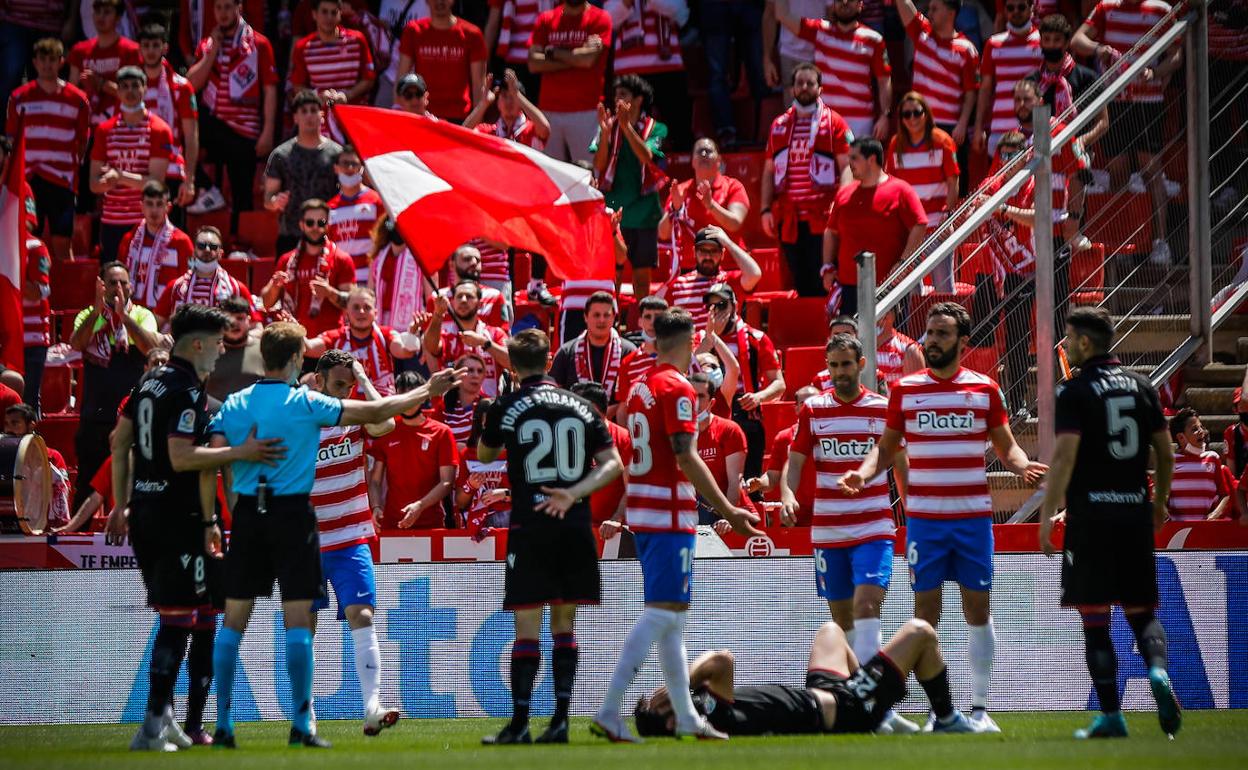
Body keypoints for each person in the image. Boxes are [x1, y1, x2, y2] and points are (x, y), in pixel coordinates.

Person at [205, 322, 461, 748]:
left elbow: (210, 456)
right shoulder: (307, 404)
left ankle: (225, 723)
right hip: (296, 520)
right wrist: (428, 391)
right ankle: (302, 724)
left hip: (258, 518)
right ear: (295, 363)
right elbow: (381, 413)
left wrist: (222, 511)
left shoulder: (236, 403)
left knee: (235, 621)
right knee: (298, 623)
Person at [842, 301, 1047, 732]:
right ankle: (941, 711)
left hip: (973, 520)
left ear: (962, 342)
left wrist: (1021, 464)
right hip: (925, 522)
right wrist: (863, 473)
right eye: (929, 333)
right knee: (924, 618)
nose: (931, 341)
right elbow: (886, 449)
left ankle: (979, 708)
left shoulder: (985, 389)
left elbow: (1007, 446)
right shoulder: (905, 390)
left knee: (978, 610)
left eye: (941, 334)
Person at [105, 304, 284, 752]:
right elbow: (183, 458)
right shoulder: (186, 390)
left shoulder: (147, 381)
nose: (222, 353)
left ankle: (171, 721)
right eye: (219, 345)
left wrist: (122, 502)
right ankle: (150, 728)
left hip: (149, 511)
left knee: (198, 614)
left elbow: (119, 440)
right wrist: (242, 452)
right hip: (175, 516)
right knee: (177, 620)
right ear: (199, 344)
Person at [592, 308, 760, 743]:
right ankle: (610, 709)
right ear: (688, 344)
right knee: (660, 614)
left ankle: (685, 716)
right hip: (669, 515)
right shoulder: (678, 388)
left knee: (672, 620)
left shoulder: (640, 387)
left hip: (646, 514)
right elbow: (686, 456)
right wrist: (727, 509)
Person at [1037, 304, 1182, 739]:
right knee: (1142, 611)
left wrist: (1047, 515)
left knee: (1095, 618)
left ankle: (1112, 716)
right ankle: (1158, 671)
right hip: (1135, 513)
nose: (1064, 345)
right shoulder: (1142, 386)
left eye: (1068, 337)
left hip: (1091, 517)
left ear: (1085, 342)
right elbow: (1166, 452)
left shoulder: (1075, 392)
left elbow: (1063, 458)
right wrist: (1158, 504)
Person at [476, 329, 624, 744]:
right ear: (548, 360)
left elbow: (484, 455)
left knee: (527, 625)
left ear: (511, 360)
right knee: (565, 624)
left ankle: (520, 724)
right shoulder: (582, 405)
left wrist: (493, 412)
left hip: (530, 524)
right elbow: (613, 465)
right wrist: (575, 492)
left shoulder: (506, 406)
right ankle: (559, 722)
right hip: (575, 524)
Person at [781, 334, 915, 734]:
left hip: (874, 526)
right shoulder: (814, 410)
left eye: (846, 364)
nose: (840, 373)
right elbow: (796, 461)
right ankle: (868, 708)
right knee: (842, 624)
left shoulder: (881, 408)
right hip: (828, 531)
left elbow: (901, 465)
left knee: (867, 607)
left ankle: (881, 709)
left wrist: (912, 516)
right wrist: (787, 494)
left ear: (861, 364)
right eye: (833, 366)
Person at [633, 619, 982, 736]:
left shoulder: (702, 711)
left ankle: (882, 712)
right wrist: (680, 684)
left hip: (824, 693)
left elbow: (716, 668)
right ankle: (947, 718)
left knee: (830, 630)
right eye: (660, 702)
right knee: (920, 632)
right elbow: (722, 661)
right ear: (667, 720)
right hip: (847, 708)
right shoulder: (710, 717)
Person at [306, 348, 402, 735]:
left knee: (361, 615)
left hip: (350, 537)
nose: (345, 390)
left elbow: (388, 424)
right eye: (339, 383)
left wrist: (363, 380)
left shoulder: (355, 415)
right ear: (319, 380)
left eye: (349, 384)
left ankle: (371, 707)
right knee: (303, 627)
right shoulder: (301, 418)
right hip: (306, 541)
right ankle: (304, 713)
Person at [1072, 0, 1182, 265]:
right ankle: (1121, 243)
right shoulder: (1106, 7)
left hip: (1148, 101)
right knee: (1118, 169)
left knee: (1151, 169)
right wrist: (1100, 48)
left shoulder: (1160, 10)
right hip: (1116, 101)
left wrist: (1155, 71)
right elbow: (1077, 40)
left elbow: (1177, 54)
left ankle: (1159, 242)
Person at [69, 262, 159, 509]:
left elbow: (151, 346)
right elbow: (77, 344)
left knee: (138, 481)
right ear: (101, 286)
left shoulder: (143, 315)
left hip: (133, 415)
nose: (118, 287)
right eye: (112, 282)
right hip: (95, 414)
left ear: (131, 285)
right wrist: (98, 312)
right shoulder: (88, 314)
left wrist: (124, 318)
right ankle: (79, 538)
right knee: (87, 482)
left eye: (123, 282)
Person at [185, 0, 279, 229]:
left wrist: (267, 133)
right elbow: (190, 85)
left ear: (240, 8)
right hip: (214, 124)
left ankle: (241, 242)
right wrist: (212, 51)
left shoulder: (259, 44)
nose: (223, 13)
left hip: (244, 131)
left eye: (228, 7)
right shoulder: (207, 44)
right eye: (219, 8)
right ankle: (210, 190)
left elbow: (270, 90)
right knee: (182, 127)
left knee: (242, 194)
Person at [760, 63, 853, 297]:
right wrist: (765, 209)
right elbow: (769, 171)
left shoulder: (834, 122)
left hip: (823, 218)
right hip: (790, 219)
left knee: (826, 279)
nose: (804, 87)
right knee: (801, 282)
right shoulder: (779, 125)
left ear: (820, 88)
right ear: (791, 89)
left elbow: (847, 167)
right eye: (799, 83)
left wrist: (841, 204)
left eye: (810, 83)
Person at [5, 37, 90, 260]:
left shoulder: (78, 99)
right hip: (29, 180)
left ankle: (67, 294)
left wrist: (68, 167)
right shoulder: (19, 97)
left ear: (61, 62)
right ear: (34, 62)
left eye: (52, 59)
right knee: (27, 238)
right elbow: (12, 141)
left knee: (62, 242)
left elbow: (82, 142)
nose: (47, 65)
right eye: (42, 59)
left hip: (61, 180)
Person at [823, 137, 928, 316]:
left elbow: (919, 225)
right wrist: (827, 267)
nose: (850, 164)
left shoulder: (901, 190)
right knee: (850, 342)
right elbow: (831, 232)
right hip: (849, 286)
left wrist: (903, 263)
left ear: (872, 159)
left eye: (854, 158)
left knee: (890, 339)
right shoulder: (844, 194)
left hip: (888, 285)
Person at [591, 74, 667, 299]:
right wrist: (605, 134)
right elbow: (598, 165)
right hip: (614, 210)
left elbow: (646, 156)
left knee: (642, 278)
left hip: (644, 212)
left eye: (623, 95)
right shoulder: (607, 126)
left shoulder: (657, 128)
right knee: (611, 274)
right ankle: (610, 324)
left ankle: (642, 328)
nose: (617, 100)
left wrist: (626, 127)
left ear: (638, 99)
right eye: (616, 95)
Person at [772, 0, 893, 141]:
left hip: (860, 124)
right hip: (825, 122)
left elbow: (884, 81)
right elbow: (782, 15)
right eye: (839, 0)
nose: (845, 2)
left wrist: (885, 116)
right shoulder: (820, 31)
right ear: (833, 5)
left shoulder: (874, 39)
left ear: (861, 4)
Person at [702, 283, 785, 483]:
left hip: (745, 408)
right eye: (711, 307)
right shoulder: (700, 338)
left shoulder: (756, 338)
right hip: (709, 407)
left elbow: (779, 384)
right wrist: (710, 338)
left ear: (735, 306)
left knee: (748, 481)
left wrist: (759, 397)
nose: (716, 312)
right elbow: (689, 369)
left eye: (721, 305)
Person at [89, 66, 173, 264]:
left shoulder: (159, 130)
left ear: (145, 89)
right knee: (111, 278)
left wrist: (118, 177)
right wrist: (107, 182)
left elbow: (155, 183)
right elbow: (93, 183)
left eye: (136, 86)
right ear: (117, 91)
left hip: (146, 221)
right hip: (112, 221)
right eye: (125, 86)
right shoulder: (104, 130)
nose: (130, 92)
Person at [894, 0, 979, 195]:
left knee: (954, 182)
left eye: (935, 8)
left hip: (950, 128)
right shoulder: (922, 34)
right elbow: (905, 5)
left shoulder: (966, 49)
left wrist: (963, 124)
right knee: (917, 180)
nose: (929, 12)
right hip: (918, 123)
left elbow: (971, 93)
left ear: (951, 13)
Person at [885, 93, 960, 291]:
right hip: (909, 230)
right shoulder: (895, 145)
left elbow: (953, 181)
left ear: (925, 113)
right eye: (906, 114)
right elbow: (891, 185)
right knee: (911, 293)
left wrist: (949, 217)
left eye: (917, 112)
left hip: (937, 226)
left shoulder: (942, 141)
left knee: (944, 289)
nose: (912, 119)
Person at [367, 371, 459, 529]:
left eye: (412, 393)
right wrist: (375, 507)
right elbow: (375, 481)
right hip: (392, 524)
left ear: (423, 396)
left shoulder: (442, 432)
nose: (407, 399)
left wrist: (420, 506)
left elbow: (447, 482)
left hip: (432, 525)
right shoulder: (386, 432)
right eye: (402, 393)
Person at [527, 0, 613, 164]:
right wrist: (576, 59)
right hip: (549, 112)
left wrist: (552, 52)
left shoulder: (600, 18)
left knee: (587, 175)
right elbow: (533, 63)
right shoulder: (546, 19)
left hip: (586, 111)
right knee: (549, 177)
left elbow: (588, 60)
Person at [261, 198, 357, 338]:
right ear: (301, 225)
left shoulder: (342, 259)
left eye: (321, 222)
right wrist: (274, 287)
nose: (315, 228)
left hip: (330, 342)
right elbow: (266, 303)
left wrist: (329, 293)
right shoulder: (286, 261)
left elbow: (352, 303)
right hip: (294, 340)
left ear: (328, 225)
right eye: (310, 222)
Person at [604, 0, 691, 152]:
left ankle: (682, 171)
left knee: (679, 130)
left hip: (667, 66)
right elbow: (608, 20)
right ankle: (631, 172)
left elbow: (681, 14)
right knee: (629, 130)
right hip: (629, 70)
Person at [264, 91, 344, 254]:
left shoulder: (336, 154)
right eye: (304, 111)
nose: (309, 115)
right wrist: (275, 201)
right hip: (290, 236)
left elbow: (346, 192)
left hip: (327, 236)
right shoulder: (281, 155)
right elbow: (268, 199)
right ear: (295, 117)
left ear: (322, 115)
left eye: (314, 110)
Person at [306, 286, 420, 394]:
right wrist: (295, 331)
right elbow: (309, 348)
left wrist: (411, 336)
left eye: (367, 307)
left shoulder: (385, 334)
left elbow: (404, 351)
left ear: (375, 313)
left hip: (381, 408)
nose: (361, 311)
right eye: (355, 307)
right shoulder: (336, 337)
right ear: (346, 314)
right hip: (346, 409)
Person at [658, 138, 750, 271]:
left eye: (709, 151)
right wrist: (674, 209)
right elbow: (663, 233)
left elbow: (735, 223)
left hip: (728, 266)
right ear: (693, 162)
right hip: (690, 268)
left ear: (719, 161)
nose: (704, 154)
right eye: (700, 151)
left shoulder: (733, 186)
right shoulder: (681, 190)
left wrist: (711, 205)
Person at [138, 23, 200, 213]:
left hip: (172, 170)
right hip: (137, 170)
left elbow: (191, 136)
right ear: (139, 48)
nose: (150, 51)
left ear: (165, 47)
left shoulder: (182, 87)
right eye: (146, 45)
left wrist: (189, 180)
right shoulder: (131, 86)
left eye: (155, 45)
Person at [396, 0, 487, 122]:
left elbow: (478, 85)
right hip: (422, 115)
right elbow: (401, 78)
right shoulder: (413, 31)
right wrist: (397, 115)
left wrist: (478, 124)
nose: (439, 1)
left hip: (459, 118)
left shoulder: (472, 34)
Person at [421, 280, 511, 398]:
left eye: (469, 296)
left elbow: (513, 363)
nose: (463, 300)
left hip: (487, 410)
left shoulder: (495, 334)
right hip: (452, 412)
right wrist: (437, 315)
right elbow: (431, 347)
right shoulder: (446, 335)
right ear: (452, 303)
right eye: (459, 296)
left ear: (479, 304)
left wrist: (484, 343)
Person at [656, 227, 761, 328]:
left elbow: (754, 274)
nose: (708, 257)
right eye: (703, 251)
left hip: (723, 344)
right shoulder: (677, 285)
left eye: (714, 251)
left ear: (722, 254)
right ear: (694, 252)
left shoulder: (729, 281)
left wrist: (728, 243)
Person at [973, 0, 1040, 157]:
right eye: (1010, 7)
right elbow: (985, 89)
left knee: (1037, 181)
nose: (1015, 11)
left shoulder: (1044, 41)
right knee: (999, 182)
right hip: (1000, 131)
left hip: (1035, 131)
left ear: (1032, 8)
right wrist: (978, 128)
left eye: (1021, 7)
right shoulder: (993, 44)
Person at [154, 226, 255, 329]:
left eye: (213, 246)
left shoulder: (237, 288)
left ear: (221, 253)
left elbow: (257, 328)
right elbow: (156, 326)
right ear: (193, 251)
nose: (207, 250)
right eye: (201, 246)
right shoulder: (175, 287)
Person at [750, 385, 820, 525]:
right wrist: (759, 483)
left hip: (828, 515)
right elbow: (772, 476)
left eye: (815, 403)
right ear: (796, 408)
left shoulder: (834, 434)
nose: (810, 407)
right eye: (804, 403)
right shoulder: (784, 437)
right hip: (795, 516)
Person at [290, 0, 377, 113]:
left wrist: (348, 95)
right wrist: (318, 96)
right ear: (314, 14)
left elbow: (369, 79)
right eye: (324, 12)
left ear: (340, 14)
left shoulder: (357, 40)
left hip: (352, 115)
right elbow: (297, 86)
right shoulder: (303, 47)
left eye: (334, 12)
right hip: (320, 119)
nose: (329, 17)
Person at [549, 291, 638, 401]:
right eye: (596, 315)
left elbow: (635, 395)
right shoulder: (567, 352)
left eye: (606, 315)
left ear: (614, 317)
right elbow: (554, 394)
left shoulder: (629, 352)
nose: (601, 320)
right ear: (586, 317)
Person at [688, 372, 750, 525]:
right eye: (690, 395)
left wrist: (727, 518)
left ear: (712, 402)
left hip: (727, 512)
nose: (695, 401)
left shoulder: (729, 430)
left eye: (701, 396)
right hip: (693, 513)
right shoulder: (675, 434)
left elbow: (734, 481)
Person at [118, 181, 192, 309]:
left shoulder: (182, 242)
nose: (154, 210)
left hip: (168, 318)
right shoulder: (129, 240)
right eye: (149, 204)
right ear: (141, 206)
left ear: (168, 207)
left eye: (159, 204)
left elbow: (189, 284)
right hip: (133, 314)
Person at [68, 0, 141, 130]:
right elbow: (71, 93)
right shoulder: (79, 51)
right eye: (97, 12)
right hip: (86, 125)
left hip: (120, 125)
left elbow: (134, 95)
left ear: (118, 18)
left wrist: (100, 83)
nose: (101, 17)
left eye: (107, 12)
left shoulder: (131, 51)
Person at [1166, 408, 1239, 521]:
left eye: (1201, 427)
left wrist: (1214, 514)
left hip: (1205, 529)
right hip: (1177, 531)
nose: (1201, 431)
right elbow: (1163, 497)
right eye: (1195, 429)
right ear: (1181, 437)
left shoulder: (1212, 458)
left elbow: (1224, 495)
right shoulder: (1170, 462)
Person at [327, 145, 386, 284]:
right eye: (345, 163)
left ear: (362, 168)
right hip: (342, 281)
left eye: (354, 163)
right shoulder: (329, 208)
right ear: (336, 168)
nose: (349, 168)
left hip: (370, 279)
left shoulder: (376, 201)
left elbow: (383, 241)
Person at [464, 67, 551, 149]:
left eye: (512, 97)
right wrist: (484, 104)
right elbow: (463, 133)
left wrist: (517, 95)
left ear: (521, 101)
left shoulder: (531, 130)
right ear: (498, 102)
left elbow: (545, 129)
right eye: (504, 96)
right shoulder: (489, 132)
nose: (508, 102)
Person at [206, 295, 264, 403]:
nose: (234, 323)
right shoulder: (207, 351)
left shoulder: (265, 350)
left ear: (249, 321)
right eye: (228, 319)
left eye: (240, 318)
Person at [19, 234, 51, 414]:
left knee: (27, 406)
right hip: (6, 336)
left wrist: (8, 271)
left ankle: (30, 443)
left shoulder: (35, 246)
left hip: (31, 338)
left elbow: (38, 292)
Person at [432, 353, 488, 448]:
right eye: (470, 370)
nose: (476, 375)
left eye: (480, 371)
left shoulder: (488, 406)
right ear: (457, 375)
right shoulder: (443, 407)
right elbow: (434, 441)